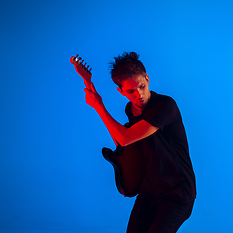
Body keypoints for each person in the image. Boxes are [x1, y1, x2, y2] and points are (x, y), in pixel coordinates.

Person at [83, 52, 196, 233]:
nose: (139, 95)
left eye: (142, 86)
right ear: (120, 91)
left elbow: (125, 137)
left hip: (177, 194)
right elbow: (126, 141)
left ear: (147, 78)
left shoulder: (165, 107)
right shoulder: (131, 110)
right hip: (149, 190)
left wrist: (99, 106)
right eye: (131, 91)